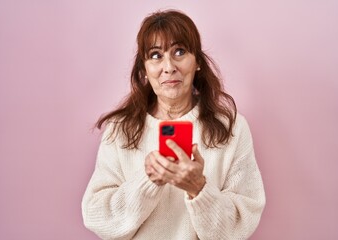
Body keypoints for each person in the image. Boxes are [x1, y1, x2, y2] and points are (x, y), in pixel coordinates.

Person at [82, 9, 265, 240]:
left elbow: (240, 225)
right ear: (144, 69)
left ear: (197, 62)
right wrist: (147, 181)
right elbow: (97, 217)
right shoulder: (120, 130)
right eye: (156, 55)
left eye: (179, 51)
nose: (168, 67)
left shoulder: (232, 128)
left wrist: (198, 188)